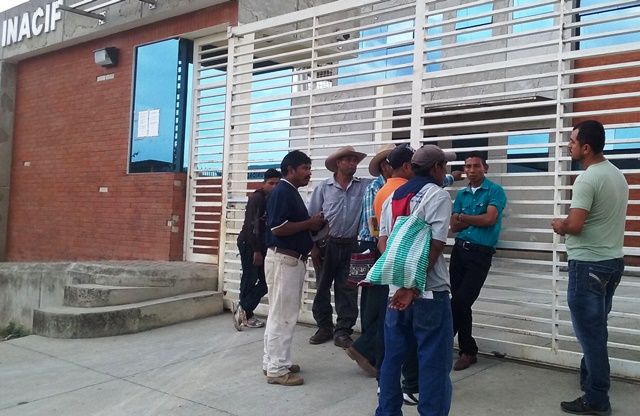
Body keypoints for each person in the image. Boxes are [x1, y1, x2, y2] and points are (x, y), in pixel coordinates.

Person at [552, 120, 628, 416]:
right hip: (612, 263)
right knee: (597, 329)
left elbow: (575, 224)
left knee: (591, 335)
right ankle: (590, 381)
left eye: (571, 141)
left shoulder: (586, 179)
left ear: (586, 147)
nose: (568, 146)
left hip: (589, 265)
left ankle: (597, 398)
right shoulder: (617, 175)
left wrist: (560, 225)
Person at [376, 144, 455, 416]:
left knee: (392, 359)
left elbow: (383, 243)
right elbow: (435, 246)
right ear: (436, 168)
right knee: (434, 363)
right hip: (429, 292)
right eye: (444, 166)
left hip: (394, 294)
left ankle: (386, 412)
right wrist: (412, 286)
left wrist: (400, 282)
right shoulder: (438, 195)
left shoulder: (392, 197)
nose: (446, 172)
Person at [262, 150, 326, 386]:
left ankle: (273, 362)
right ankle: (277, 370)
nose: (309, 173)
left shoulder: (289, 192)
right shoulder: (283, 191)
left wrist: (311, 226)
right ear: (290, 169)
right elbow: (278, 228)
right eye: (305, 168)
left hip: (289, 260)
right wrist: (309, 223)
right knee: (284, 315)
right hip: (284, 260)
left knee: (278, 314)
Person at [308, 146, 372, 349]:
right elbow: (311, 219)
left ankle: (343, 330)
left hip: (352, 244)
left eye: (355, 160)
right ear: (338, 163)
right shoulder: (323, 188)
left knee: (349, 289)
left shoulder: (363, 186)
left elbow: (386, 182)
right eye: (348, 160)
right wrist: (313, 247)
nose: (353, 163)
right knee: (322, 287)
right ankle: (324, 326)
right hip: (326, 244)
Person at [449, 151, 507, 371]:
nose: (471, 170)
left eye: (476, 166)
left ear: (486, 168)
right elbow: (454, 226)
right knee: (460, 302)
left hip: (480, 253)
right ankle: (468, 351)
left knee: (461, 302)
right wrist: (472, 220)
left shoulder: (495, 191)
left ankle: (442, 343)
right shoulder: (462, 195)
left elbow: (490, 218)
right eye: (467, 166)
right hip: (459, 252)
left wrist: (464, 218)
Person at [347, 143, 395, 377]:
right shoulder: (376, 189)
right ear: (386, 166)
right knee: (377, 302)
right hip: (374, 246)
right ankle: (366, 349)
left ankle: (371, 351)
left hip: (374, 246)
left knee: (374, 302)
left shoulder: (386, 186)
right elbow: (374, 225)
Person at [233, 168, 282, 331]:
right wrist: (256, 250)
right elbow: (252, 226)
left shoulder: (273, 199)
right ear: (264, 183)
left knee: (265, 280)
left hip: (260, 246)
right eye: (271, 183)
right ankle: (245, 313)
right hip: (250, 244)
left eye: (277, 184)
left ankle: (244, 309)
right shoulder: (257, 199)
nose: (274, 187)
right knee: (250, 277)